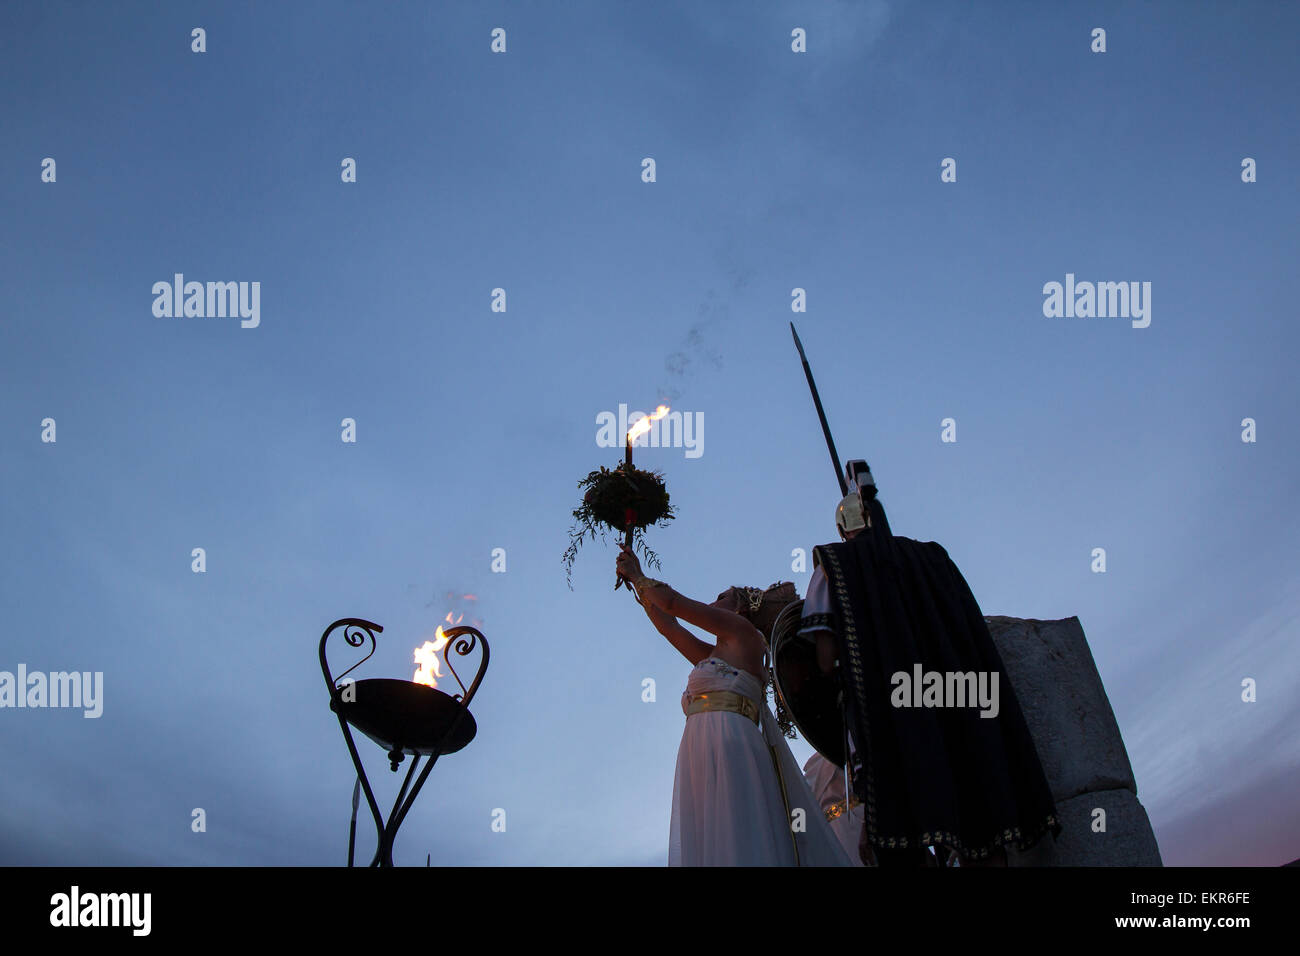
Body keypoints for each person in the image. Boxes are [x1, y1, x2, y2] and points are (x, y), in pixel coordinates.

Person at [799, 460, 1060, 867]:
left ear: (843, 530)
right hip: (961, 703)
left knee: (903, 831)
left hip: (891, 719)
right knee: (982, 828)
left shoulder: (833, 567)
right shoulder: (932, 557)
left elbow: (827, 657)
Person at [616, 544, 852, 866]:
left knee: (732, 830)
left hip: (726, 738)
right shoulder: (716, 656)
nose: (714, 602)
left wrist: (639, 574)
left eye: (722, 597)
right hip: (702, 742)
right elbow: (667, 625)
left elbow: (673, 603)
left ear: (740, 609)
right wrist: (635, 584)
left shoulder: (742, 634)